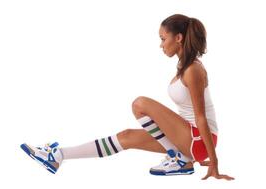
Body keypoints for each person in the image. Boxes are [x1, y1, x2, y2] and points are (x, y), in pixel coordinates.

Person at [20, 13, 234, 180]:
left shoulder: (193, 70)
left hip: (198, 139)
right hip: (189, 140)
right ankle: (59, 156)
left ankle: (178, 159)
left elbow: (201, 117)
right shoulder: (183, 66)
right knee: (126, 137)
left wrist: (213, 161)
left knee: (140, 104)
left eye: (163, 38)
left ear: (178, 38)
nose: (160, 44)